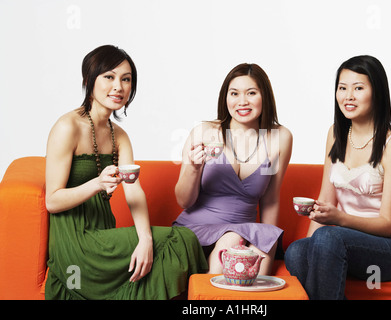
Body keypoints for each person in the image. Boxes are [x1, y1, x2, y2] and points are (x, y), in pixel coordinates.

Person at [45, 45, 207, 300]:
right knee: (181, 240)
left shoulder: (119, 136)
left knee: (177, 244)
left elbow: (134, 192)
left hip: (105, 232)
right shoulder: (68, 127)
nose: (118, 86)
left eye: (126, 79)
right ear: (89, 80)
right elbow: (52, 201)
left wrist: (145, 241)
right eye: (109, 77)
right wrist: (97, 184)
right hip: (76, 242)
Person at [285, 55, 391, 299]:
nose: (348, 96)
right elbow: (325, 200)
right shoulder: (335, 134)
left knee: (327, 237)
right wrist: (311, 246)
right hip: (345, 242)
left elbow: (388, 224)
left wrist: (339, 219)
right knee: (296, 251)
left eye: (358, 88)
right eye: (342, 88)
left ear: (376, 92)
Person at [173, 63, 293, 275]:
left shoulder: (278, 139)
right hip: (195, 230)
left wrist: (269, 241)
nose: (242, 102)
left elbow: (270, 200)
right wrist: (193, 168)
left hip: (243, 233)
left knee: (252, 252)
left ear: (264, 96)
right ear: (225, 98)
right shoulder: (205, 132)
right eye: (234, 93)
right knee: (231, 241)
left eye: (251, 93)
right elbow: (184, 201)